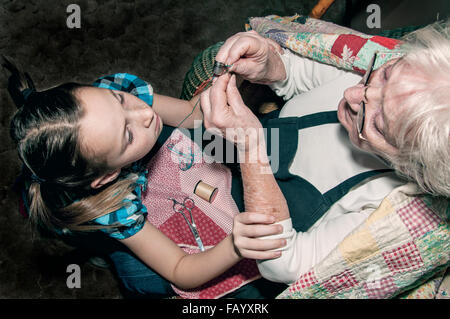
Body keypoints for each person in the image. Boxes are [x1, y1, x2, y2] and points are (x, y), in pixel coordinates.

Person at [3, 59, 286, 298]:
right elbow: (179, 270)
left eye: (121, 100)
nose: (145, 113)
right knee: (138, 279)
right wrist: (233, 246)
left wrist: (228, 81)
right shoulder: (113, 208)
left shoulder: (112, 98)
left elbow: (190, 114)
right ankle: (93, 245)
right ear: (109, 176)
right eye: (127, 134)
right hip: (79, 211)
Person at [202, 23, 449, 284]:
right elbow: (297, 73)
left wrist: (251, 149)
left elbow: (285, 263)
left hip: (230, 243)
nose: (352, 93)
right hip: (218, 159)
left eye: (376, 122)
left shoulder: (384, 210)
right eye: (386, 74)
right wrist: (269, 66)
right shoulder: (363, 84)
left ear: (413, 165)